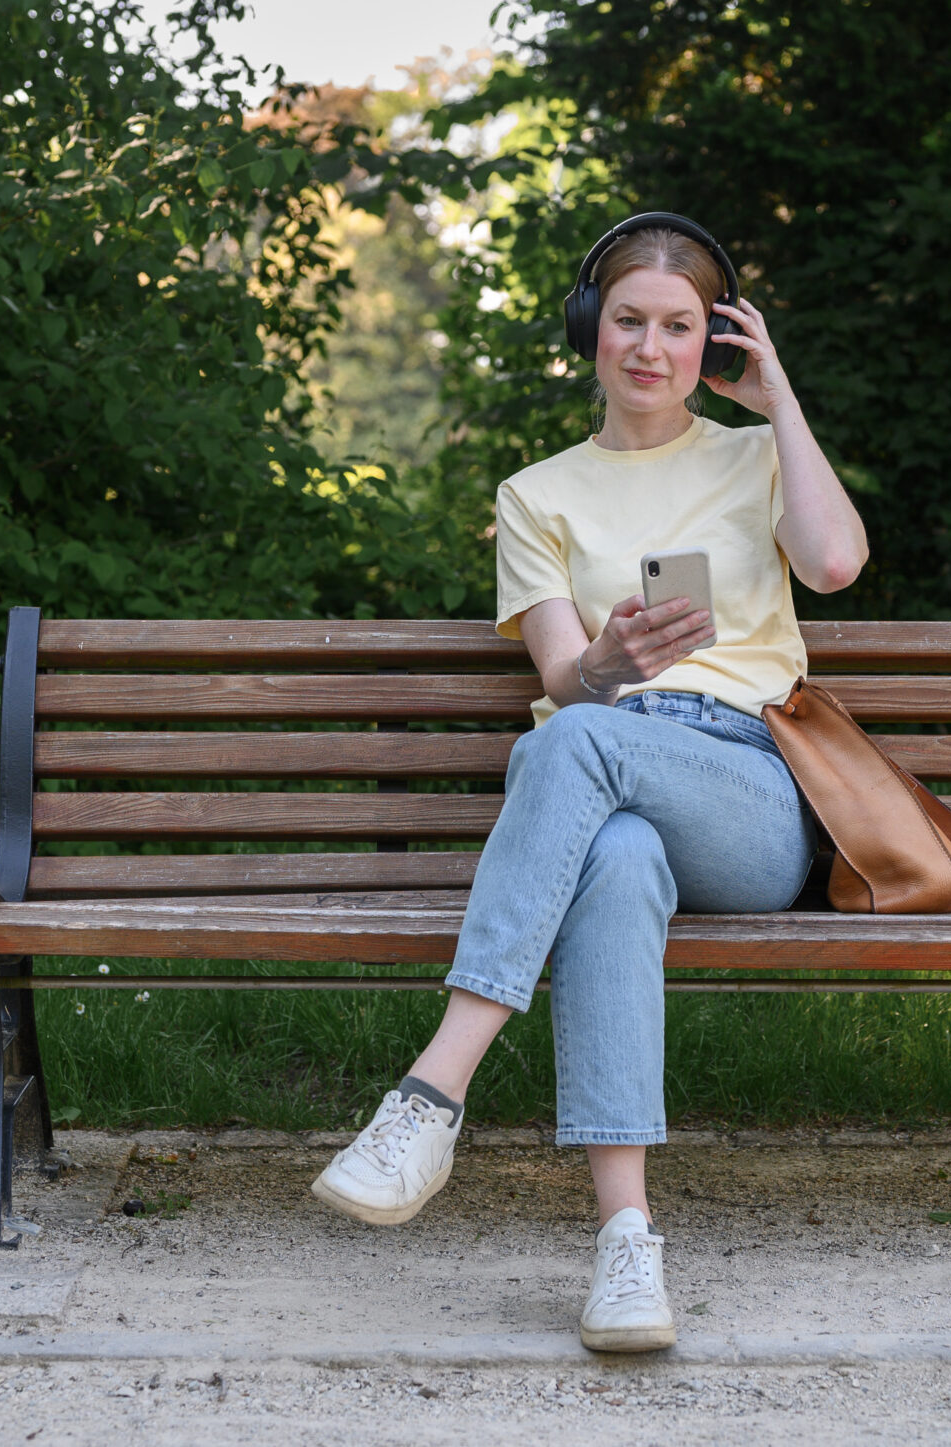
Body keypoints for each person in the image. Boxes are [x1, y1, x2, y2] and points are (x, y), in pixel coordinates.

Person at [308, 214, 871, 1351]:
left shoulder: (757, 455)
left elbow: (834, 564)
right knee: (609, 849)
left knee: (565, 745)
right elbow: (567, 676)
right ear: (590, 329)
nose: (650, 348)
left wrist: (784, 407)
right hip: (613, 773)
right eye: (628, 321)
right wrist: (606, 666)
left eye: (677, 327)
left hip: (749, 791)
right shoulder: (537, 493)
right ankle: (627, 1245)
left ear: (712, 342)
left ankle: (429, 1094)